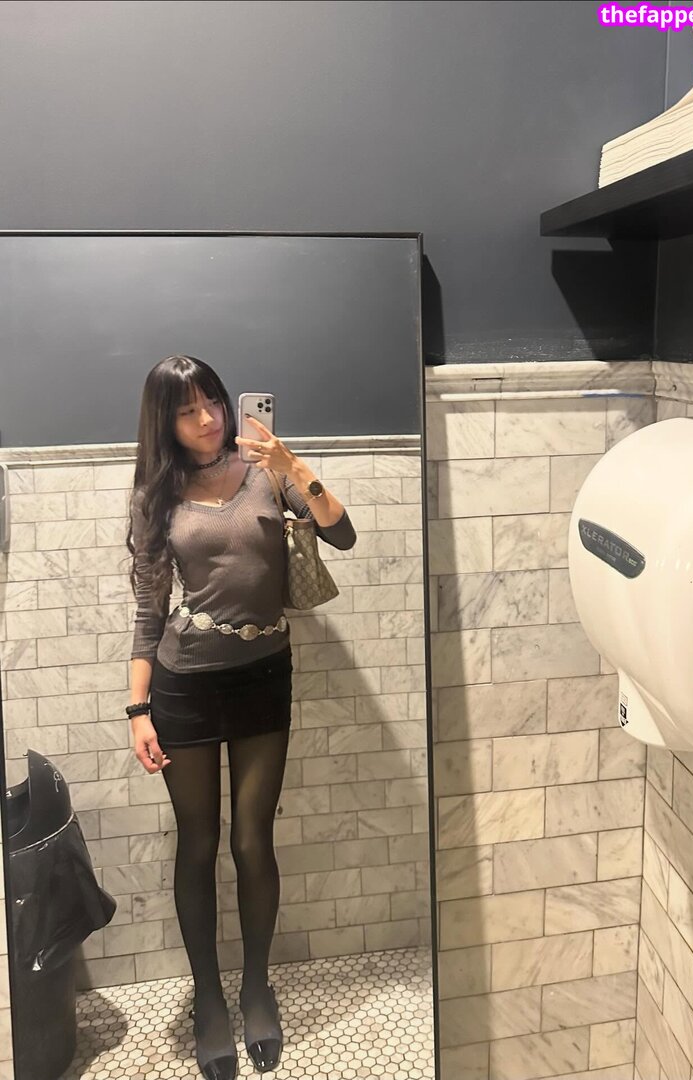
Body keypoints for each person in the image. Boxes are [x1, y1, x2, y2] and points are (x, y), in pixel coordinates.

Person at [126, 355, 356, 1079]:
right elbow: (148, 613)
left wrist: (295, 466)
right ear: (165, 422)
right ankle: (209, 999)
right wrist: (138, 709)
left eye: (213, 403)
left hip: (264, 676)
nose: (207, 420)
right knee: (198, 844)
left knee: (254, 841)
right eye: (187, 411)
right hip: (184, 686)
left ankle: (257, 986)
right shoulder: (158, 496)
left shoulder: (266, 469)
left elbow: (342, 535)